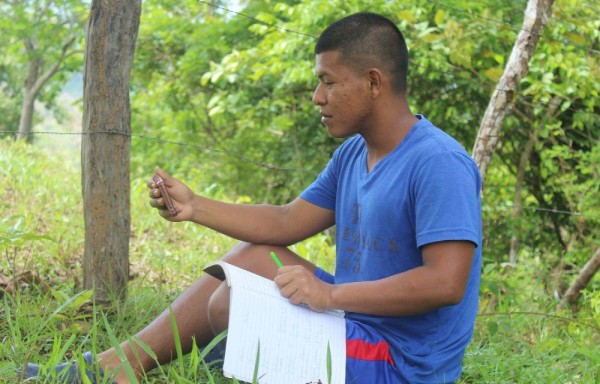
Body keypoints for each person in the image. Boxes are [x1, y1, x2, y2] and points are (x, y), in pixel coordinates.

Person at [21, 12, 482, 384]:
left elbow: (446, 283)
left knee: (227, 306)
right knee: (253, 258)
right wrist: (195, 206)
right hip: (354, 321)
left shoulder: (438, 163)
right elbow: (285, 221)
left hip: (398, 360)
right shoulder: (353, 155)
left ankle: (226, 355)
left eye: (329, 81)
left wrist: (329, 293)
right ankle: (123, 363)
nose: (318, 97)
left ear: (375, 82)